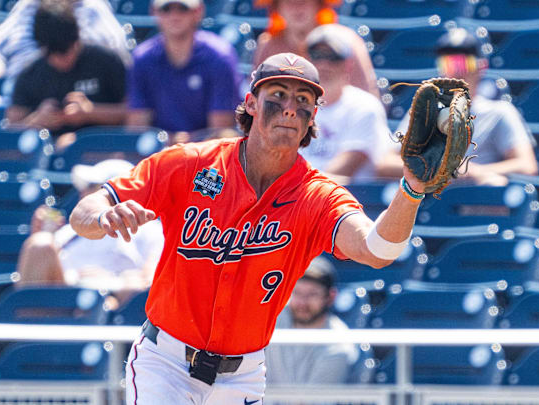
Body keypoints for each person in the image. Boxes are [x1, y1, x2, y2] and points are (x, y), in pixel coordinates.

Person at [69, 52, 426, 403]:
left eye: (303, 99)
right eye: (277, 96)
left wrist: (411, 190)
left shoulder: (316, 196)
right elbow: (85, 210)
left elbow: (377, 250)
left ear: (313, 116)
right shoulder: (191, 163)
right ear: (251, 103)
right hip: (166, 364)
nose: (290, 108)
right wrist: (103, 217)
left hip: (243, 376)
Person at [385, 28, 539, 185]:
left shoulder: (500, 112)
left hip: (477, 200)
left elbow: (526, 166)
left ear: (482, 67)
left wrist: (472, 172)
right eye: (449, 63)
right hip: (430, 201)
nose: (457, 72)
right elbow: (385, 163)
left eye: (465, 63)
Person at [17, 159, 164, 297]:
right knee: (39, 244)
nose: (82, 194)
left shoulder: (152, 231)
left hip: (112, 308)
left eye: (91, 186)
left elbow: (150, 285)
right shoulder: (69, 232)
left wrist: (108, 284)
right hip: (63, 302)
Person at [5, 0, 127, 149]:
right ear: (43, 49)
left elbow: (134, 112)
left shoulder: (106, 61)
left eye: (66, 50)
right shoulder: (30, 74)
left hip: (103, 150)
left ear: (77, 39)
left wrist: (91, 112)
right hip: (47, 157)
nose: (62, 59)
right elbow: (10, 135)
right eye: (54, 53)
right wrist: (36, 120)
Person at [126, 0, 242, 143]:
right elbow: (138, 128)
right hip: (157, 157)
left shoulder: (220, 57)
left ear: (198, 11)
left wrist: (176, 143)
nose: (174, 16)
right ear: (154, 12)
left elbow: (219, 132)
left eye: (183, 8)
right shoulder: (142, 58)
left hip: (206, 158)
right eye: (166, 9)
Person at [0, 0, 130, 105]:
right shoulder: (28, 6)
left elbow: (119, 63)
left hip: (83, 104)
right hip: (21, 99)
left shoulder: (92, 9)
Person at [300, 24, 391, 183]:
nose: (323, 64)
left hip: (349, 201)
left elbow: (347, 165)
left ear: (348, 65)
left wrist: (292, 188)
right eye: (317, 56)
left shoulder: (365, 106)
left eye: (333, 57)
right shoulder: (292, 105)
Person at [252, 0, 380, 98]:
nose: (297, 6)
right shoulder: (267, 45)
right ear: (276, 7)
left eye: (305, 0)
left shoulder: (347, 42)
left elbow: (367, 99)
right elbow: (256, 99)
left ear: (319, 4)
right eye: (288, 0)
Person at [265, 256, 359, 389]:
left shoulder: (338, 346)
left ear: (330, 296)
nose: (302, 302)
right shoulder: (274, 317)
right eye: (297, 292)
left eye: (312, 294)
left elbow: (310, 401)